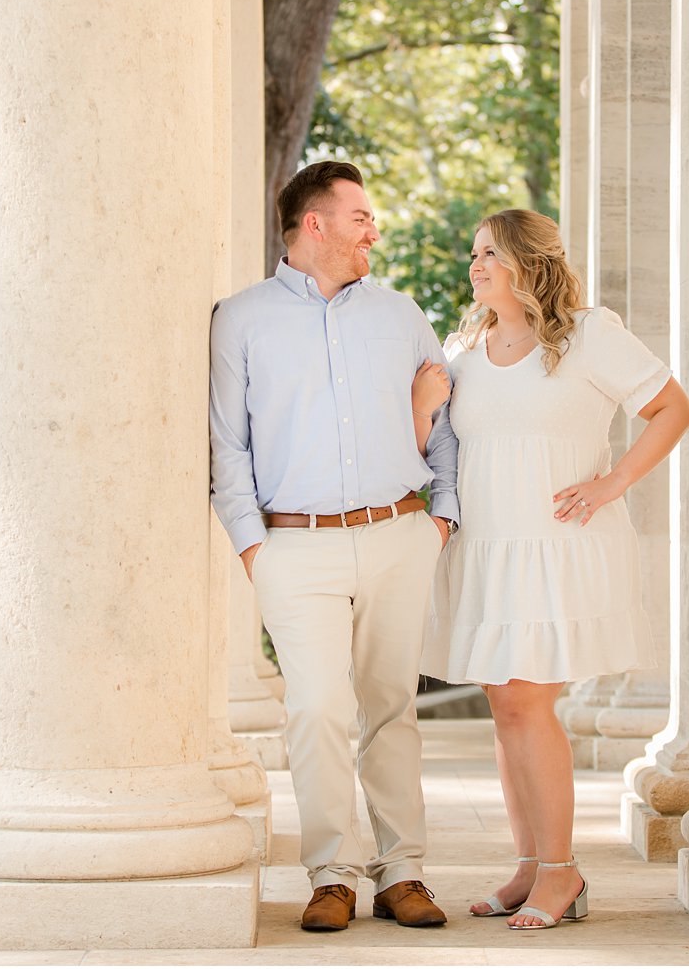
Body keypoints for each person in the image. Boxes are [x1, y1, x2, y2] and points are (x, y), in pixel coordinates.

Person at [415, 208, 689, 930]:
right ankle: (529, 864)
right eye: (474, 253)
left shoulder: (588, 335)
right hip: (484, 549)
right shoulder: (465, 348)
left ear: (528, 262)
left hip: (557, 547)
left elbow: (672, 408)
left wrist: (611, 484)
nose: (475, 266)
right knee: (507, 709)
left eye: (490, 254)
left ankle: (562, 872)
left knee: (529, 703)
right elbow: (439, 446)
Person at [209, 161, 461, 932]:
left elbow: (444, 415)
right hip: (294, 546)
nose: (372, 231)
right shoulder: (240, 319)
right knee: (318, 707)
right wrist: (257, 549)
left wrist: (440, 518)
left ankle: (403, 870)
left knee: (391, 707)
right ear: (313, 225)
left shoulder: (400, 312)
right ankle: (332, 873)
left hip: (398, 534)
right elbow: (227, 445)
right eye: (360, 217)